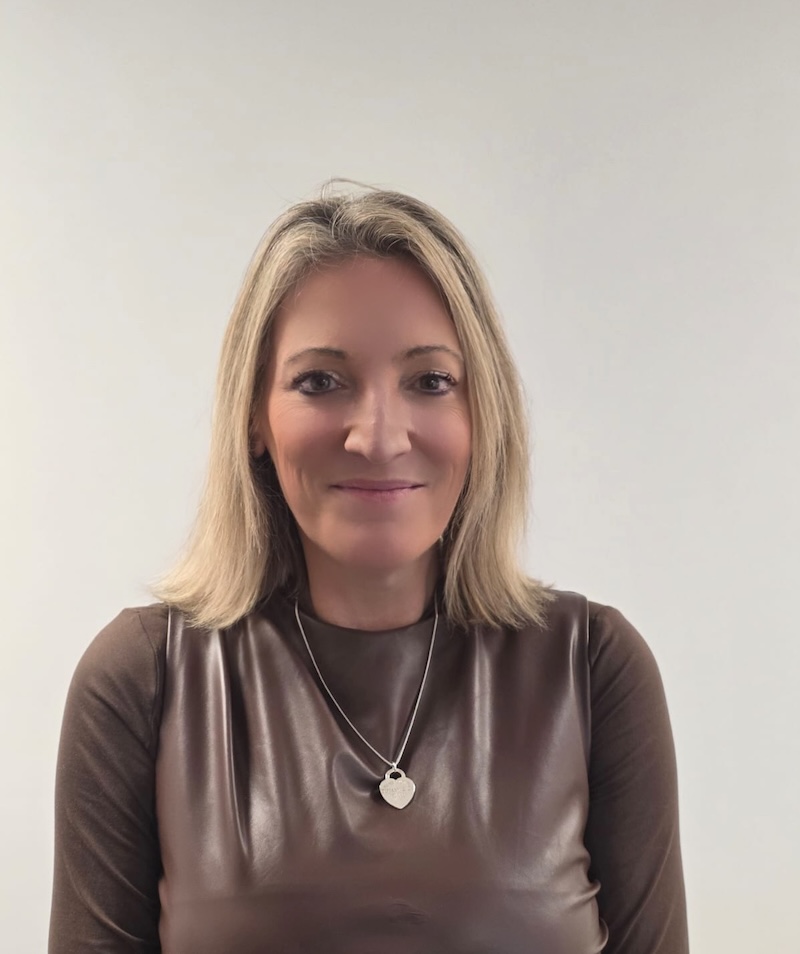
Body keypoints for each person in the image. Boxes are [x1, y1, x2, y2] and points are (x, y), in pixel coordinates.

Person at [49, 184, 689, 953]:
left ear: (480, 413)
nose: (378, 437)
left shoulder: (593, 668)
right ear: (255, 415)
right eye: (321, 381)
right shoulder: (145, 679)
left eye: (429, 381)